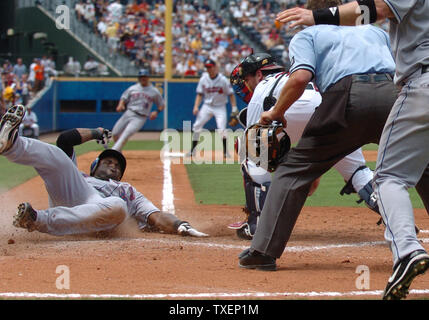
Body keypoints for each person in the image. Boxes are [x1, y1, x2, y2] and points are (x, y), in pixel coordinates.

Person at [238, 0, 399, 294]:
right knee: (422, 166)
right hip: (393, 93)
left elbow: (300, 78)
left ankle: (262, 253)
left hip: (345, 98)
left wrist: (275, 112)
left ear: (314, 15)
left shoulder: (307, 35)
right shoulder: (374, 31)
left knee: (292, 171)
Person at [275, 0, 429, 302]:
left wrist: (317, 15)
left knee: (388, 179)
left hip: (422, 80)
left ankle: (408, 251)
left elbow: (379, 9)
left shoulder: (316, 32)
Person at [228, 52, 378, 240]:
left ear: (259, 74)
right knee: (358, 171)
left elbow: (256, 151)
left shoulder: (263, 86)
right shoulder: (303, 75)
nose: (246, 86)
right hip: (333, 107)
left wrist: (253, 203)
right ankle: (396, 218)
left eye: (246, 79)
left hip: (290, 108)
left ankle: (257, 223)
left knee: (251, 156)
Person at [0, 104, 207, 238]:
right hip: (75, 193)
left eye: (118, 166)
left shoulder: (127, 190)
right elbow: (65, 140)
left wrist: (181, 225)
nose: (114, 165)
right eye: (107, 161)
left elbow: (156, 216)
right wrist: (96, 132)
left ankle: (36, 219)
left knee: (118, 206)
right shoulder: (79, 176)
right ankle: (11, 145)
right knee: (58, 157)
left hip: (98, 211)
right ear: (94, 166)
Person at [187, 58, 238, 159]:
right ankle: (192, 150)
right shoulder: (203, 79)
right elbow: (200, 94)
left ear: (215, 67)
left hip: (220, 107)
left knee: (222, 129)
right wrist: (196, 106)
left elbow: (231, 94)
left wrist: (234, 108)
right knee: (197, 126)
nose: (208, 69)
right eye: (207, 67)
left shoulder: (223, 80)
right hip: (207, 106)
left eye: (210, 67)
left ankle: (225, 152)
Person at [112, 69, 164, 152]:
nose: (143, 78)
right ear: (139, 78)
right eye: (141, 77)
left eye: (145, 77)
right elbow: (124, 97)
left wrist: (156, 111)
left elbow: (162, 105)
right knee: (115, 133)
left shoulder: (154, 91)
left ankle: (113, 151)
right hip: (129, 112)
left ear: (148, 78)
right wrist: (120, 104)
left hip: (140, 117)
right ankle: (118, 150)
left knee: (126, 133)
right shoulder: (133, 88)